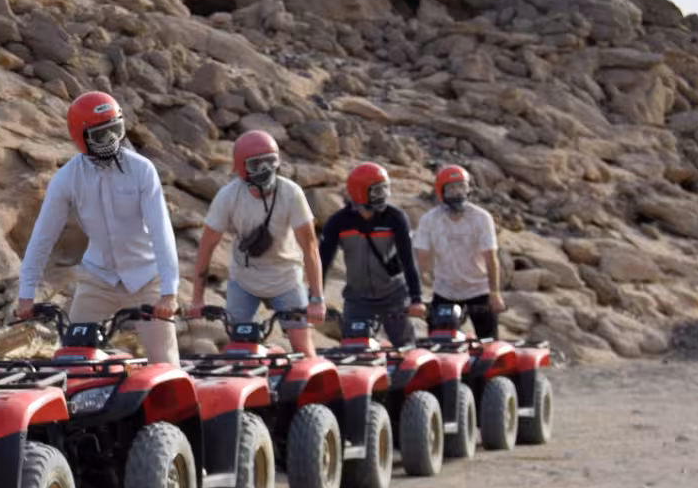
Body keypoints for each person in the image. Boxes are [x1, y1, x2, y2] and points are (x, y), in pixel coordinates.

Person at [15, 91, 180, 363]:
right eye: (101, 135)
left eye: (116, 130)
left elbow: (162, 231)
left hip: (146, 278)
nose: (112, 140)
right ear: (81, 138)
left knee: (165, 364)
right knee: (72, 359)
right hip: (98, 279)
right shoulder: (67, 178)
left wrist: (169, 293)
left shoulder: (143, 170)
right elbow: (43, 237)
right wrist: (26, 295)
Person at [186, 130, 327, 357]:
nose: (265, 170)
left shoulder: (291, 193)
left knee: (303, 348)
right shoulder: (228, 196)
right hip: (244, 279)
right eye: (256, 164)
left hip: (286, 278)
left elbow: (310, 247)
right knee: (239, 348)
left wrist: (317, 299)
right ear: (242, 167)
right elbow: (206, 247)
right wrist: (197, 299)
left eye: (270, 161)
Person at [318, 162, 426, 346]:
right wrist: (315, 299)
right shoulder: (338, 222)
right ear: (359, 192)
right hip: (357, 299)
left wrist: (416, 299)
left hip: (394, 297)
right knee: (354, 349)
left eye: (385, 190)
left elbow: (408, 260)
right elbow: (323, 262)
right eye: (377, 191)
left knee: (406, 349)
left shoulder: (395, 217)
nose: (383, 196)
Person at [415, 164, 505, 339]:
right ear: (441, 191)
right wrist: (415, 297)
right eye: (452, 188)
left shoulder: (481, 218)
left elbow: (491, 257)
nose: (457, 192)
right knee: (439, 343)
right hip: (445, 290)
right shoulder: (430, 220)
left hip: (478, 289)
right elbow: (421, 260)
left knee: (488, 343)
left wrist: (495, 293)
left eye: (461, 187)